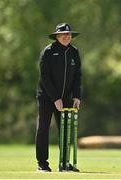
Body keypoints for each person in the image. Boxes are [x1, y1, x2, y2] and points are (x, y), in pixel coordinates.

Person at [36, 23, 82, 172]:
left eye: (69, 34)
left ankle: (64, 164)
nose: (67, 36)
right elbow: (45, 77)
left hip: (66, 98)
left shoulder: (74, 52)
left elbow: (77, 76)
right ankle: (42, 164)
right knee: (43, 129)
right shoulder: (48, 52)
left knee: (65, 132)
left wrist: (76, 96)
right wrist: (55, 98)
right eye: (64, 34)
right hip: (47, 97)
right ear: (57, 36)